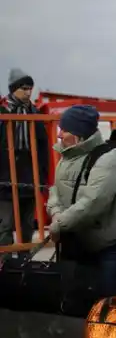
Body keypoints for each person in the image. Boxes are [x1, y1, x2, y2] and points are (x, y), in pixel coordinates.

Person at [47, 105, 116, 338]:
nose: (61, 133)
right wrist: (57, 214)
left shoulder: (109, 159)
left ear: (80, 133)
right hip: (81, 243)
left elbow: (93, 203)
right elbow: (54, 193)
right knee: (92, 308)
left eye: (66, 130)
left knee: (109, 309)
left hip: (108, 245)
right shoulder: (66, 156)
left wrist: (59, 224)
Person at [0, 68, 50, 247]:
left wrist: (43, 175)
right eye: (24, 88)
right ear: (13, 89)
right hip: (5, 175)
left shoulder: (34, 113)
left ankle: (23, 262)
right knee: (4, 224)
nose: (28, 92)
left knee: (27, 223)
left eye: (30, 88)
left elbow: (43, 146)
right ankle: (4, 264)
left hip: (30, 174)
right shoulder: (3, 112)